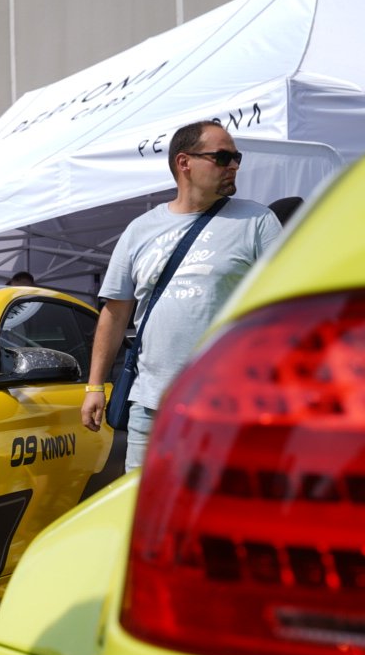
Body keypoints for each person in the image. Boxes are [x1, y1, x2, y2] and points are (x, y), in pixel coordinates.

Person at [82, 120, 280, 470]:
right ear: (184, 162)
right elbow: (115, 313)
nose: (233, 165)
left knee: (218, 502)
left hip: (228, 408)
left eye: (237, 157)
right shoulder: (139, 230)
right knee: (143, 502)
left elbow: (285, 305)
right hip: (151, 408)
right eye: (222, 157)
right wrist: (94, 386)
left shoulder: (257, 222)